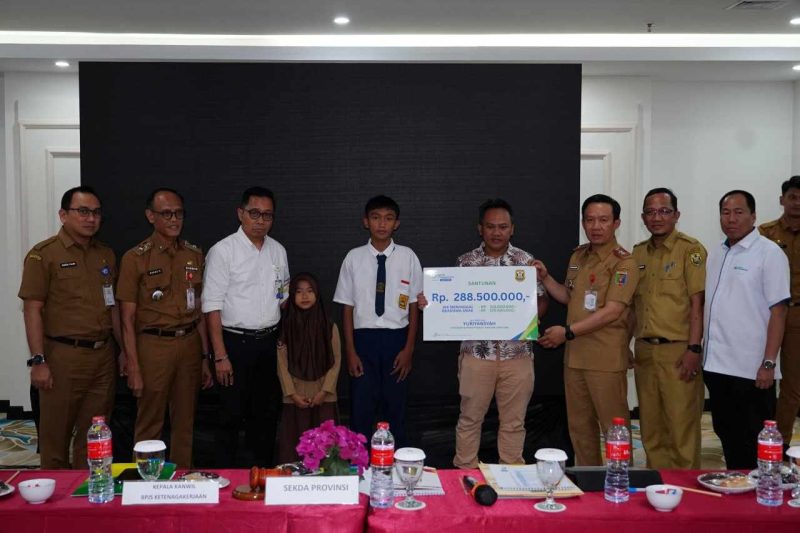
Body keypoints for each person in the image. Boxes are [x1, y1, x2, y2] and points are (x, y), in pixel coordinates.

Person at [18, 186, 124, 469]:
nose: (91, 219)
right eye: (83, 211)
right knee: (56, 437)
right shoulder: (43, 255)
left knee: (95, 437)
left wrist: (124, 350)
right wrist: (38, 360)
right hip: (63, 356)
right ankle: (57, 496)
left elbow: (112, 306)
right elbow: (32, 309)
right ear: (63, 215)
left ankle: (88, 490)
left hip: (102, 356)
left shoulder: (105, 254)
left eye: (96, 213)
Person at [536, 194, 638, 466]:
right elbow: (569, 297)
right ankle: (588, 480)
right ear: (583, 222)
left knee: (614, 430)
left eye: (603, 220)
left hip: (605, 360)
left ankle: (620, 480)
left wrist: (567, 332)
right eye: (590, 220)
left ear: (616, 223)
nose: (596, 226)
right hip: (575, 358)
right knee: (580, 429)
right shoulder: (578, 256)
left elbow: (613, 311)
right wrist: (545, 277)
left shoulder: (624, 263)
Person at [449, 198, 548, 468]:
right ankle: (465, 474)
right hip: (476, 354)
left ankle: (512, 474)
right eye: (490, 226)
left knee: (514, 422)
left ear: (512, 229)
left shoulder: (526, 261)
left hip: (517, 355)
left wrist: (528, 319)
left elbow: (542, 300)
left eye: (503, 227)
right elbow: (452, 302)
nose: (496, 232)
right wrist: (433, 303)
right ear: (480, 228)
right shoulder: (465, 263)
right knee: (469, 419)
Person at [117, 187, 212, 469]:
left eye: (179, 213)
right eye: (167, 214)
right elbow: (126, 317)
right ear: (150, 216)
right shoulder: (135, 258)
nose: (174, 220)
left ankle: (181, 479)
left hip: (189, 342)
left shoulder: (194, 254)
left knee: (185, 421)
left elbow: (199, 310)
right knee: (150, 420)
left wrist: (204, 357)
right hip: (153, 345)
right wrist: (133, 364)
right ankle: (145, 481)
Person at [202, 186, 289, 467]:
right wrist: (220, 356)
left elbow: (283, 297)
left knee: (265, 416)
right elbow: (211, 306)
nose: (261, 220)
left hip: (268, 344)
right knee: (230, 416)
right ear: (240, 213)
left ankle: (262, 478)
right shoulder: (223, 251)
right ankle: (226, 481)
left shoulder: (278, 251)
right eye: (254, 213)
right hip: (233, 345)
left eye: (267, 215)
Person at [704, 190, 789, 469]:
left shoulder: (769, 253)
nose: (731, 219)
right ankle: (736, 487)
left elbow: (779, 311)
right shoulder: (717, 252)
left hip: (752, 370)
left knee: (754, 440)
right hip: (717, 366)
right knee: (727, 435)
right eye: (725, 212)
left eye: (739, 212)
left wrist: (769, 363)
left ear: (753, 216)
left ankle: (760, 491)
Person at [333, 195, 422, 446]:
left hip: (397, 340)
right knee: (361, 409)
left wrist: (409, 349)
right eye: (376, 218)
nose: (382, 224)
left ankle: (397, 462)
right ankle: (359, 464)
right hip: (363, 341)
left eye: (388, 218)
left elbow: (414, 306)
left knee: (396, 409)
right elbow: (347, 307)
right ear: (366, 221)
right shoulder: (353, 258)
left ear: (397, 223)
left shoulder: (408, 256)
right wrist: (351, 351)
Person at [630, 188, 706, 469]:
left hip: (678, 351)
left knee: (681, 427)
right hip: (645, 351)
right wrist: (626, 345)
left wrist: (694, 349)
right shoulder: (638, 253)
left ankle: (686, 489)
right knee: (651, 428)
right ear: (643, 218)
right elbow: (632, 307)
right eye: (650, 212)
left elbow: (698, 304)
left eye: (664, 211)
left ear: (676, 215)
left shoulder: (691, 250)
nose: (657, 217)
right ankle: (658, 485)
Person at [277, 273, 342, 464]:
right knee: (293, 451)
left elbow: (336, 361)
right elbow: (281, 364)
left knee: (326, 451)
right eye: (299, 292)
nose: (304, 296)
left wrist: (325, 391)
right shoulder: (286, 327)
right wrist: (292, 394)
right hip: (295, 397)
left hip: (324, 396)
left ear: (317, 294)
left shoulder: (329, 326)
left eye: (309, 291)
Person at [759, 176, 800, 448]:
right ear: (781, 199)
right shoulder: (765, 232)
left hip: (797, 317)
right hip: (768, 316)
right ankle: (758, 435)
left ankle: (779, 443)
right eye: (792, 197)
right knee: (760, 377)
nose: (797, 203)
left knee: (792, 386)